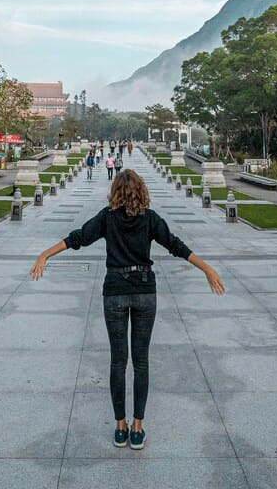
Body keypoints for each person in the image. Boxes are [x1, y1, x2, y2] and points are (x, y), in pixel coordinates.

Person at [29, 168, 224, 450]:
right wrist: (207, 268)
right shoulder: (150, 218)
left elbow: (79, 238)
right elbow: (175, 245)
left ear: (115, 192)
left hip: (115, 292)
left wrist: (45, 253)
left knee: (118, 361)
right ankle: (137, 427)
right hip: (144, 291)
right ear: (141, 191)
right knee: (141, 361)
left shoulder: (107, 218)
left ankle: (119, 428)